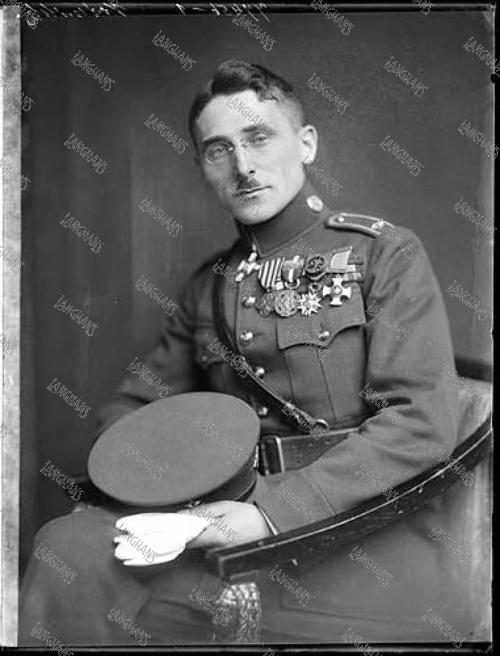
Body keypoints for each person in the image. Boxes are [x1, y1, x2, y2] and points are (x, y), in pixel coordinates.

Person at [20, 59, 477, 646]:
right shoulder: (210, 284)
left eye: (259, 137)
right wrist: (167, 495)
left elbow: (420, 422)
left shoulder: (383, 254)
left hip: (351, 535)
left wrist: (268, 514)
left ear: (306, 144)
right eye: (219, 150)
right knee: (68, 546)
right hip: (223, 520)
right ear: (203, 167)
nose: (242, 165)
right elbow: (131, 412)